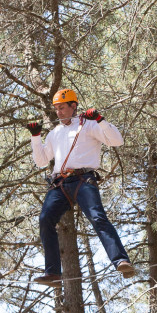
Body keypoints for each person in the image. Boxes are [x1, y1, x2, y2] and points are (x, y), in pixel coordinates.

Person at [27, 88, 135, 287]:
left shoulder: (89, 125)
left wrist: (100, 119)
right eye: (56, 108)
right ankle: (52, 273)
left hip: (83, 179)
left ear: (73, 106)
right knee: (45, 219)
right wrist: (35, 137)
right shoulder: (54, 133)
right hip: (60, 183)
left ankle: (121, 260)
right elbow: (42, 161)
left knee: (97, 217)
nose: (58, 112)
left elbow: (116, 141)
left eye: (62, 108)